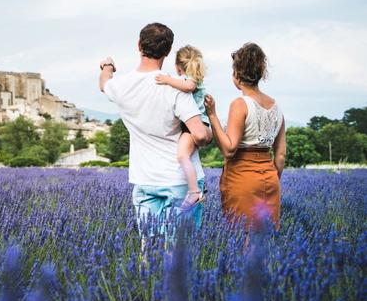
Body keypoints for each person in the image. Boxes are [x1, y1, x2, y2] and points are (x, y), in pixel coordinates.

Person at [99, 23, 211, 239]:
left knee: (149, 252)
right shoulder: (174, 86)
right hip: (180, 183)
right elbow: (199, 135)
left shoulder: (121, 86)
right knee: (178, 256)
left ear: (139, 45)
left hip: (145, 179)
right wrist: (211, 127)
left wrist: (107, 65)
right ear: (168, 52)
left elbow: (104, 84)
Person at [204, 42, 286, 229]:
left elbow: (229, 149)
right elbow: (280, 156)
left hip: (242, 177)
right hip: (270, 179)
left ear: (237, 75)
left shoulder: (240, 104)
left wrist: (212, 115)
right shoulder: (277, 107)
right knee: (267, 238)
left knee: (242, 238)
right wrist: (269, 178)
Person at [154, 45, 213, 208]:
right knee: (186, 156)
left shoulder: (192, 79)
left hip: (195, 124)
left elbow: (188, 87)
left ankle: (194, 192)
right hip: (193, 123)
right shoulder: (190, 77)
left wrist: (167, 80)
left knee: (182, 156)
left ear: (179, 67)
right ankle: (195, 187)